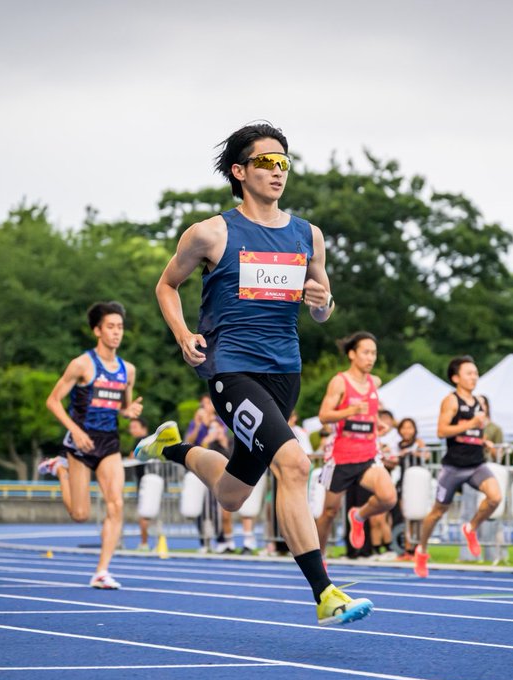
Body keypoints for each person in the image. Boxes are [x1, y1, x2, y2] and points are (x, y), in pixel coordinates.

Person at [136, 122, 371, 625]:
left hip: (285, 372)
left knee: (232, 495)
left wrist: (322, 302)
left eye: (283, 162)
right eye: (266, 162)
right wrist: (183, 334)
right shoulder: (210, 233)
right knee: (294, 464)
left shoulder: (308, 235)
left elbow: (322, 309)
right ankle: (325, 593)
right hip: (232, 369)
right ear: (240, 172)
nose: (277, 171)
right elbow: (166, 285)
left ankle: (170, 448)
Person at [38, 302, 143, 588]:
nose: (116, 332)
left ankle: (102, 571)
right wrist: (75, 431)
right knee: (80, 515)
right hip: (80, 443)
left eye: (120, 327)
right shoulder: (82, 364)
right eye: (110, 327)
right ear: (97, 331)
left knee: (116, 504)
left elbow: (123, 407)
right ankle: (60, 469)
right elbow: (52, 401)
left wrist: (129, 411)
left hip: (109, 443)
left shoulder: (128, 370)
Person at [412, 356, 504, 579]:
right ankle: (421, 550)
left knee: (495, 497)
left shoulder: (480, 402)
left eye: (476, 373)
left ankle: (471, 527)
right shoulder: (451, 401)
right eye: (469, 373)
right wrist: (470, 423)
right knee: (437, 512)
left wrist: (484, 441)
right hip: (453, 467)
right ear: (456, 378)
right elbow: (441, 431)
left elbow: (474, 433)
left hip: (476, 464)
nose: (474, 377)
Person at [314, 332, 397, 557]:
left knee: (388, 497)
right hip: (341, 457)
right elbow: (324, 415)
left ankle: (358, 516)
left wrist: (377, 423)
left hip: (368, 455)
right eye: (366, 353)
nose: (371, 358)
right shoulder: (340, 382)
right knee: (329, 512)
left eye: (374, 353)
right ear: (352, 354)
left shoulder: (374, 382)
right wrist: (351, 410)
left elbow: (370, 411)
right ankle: (318, 559)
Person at [391, 417, 429, 561]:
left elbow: (427, 455)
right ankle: (407, 549)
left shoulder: (418, 443)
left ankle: (419, 548)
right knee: (405, 516)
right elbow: (393, 460)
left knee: (418, 516)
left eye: (409, 427)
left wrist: (414, 452)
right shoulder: (397, 445)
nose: (406, 431)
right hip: (403, 482)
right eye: (404, 427)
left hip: (417, 483)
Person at [125, 417, 157, 551]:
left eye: (134, 427)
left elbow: (133, 456)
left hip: (146, 482)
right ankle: (155, 542)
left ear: (144, 428)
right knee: (152, 513)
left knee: (144, 513)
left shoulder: (141, 441)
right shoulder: (152, 440)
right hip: (153, 480)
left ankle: (144, 543)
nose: (131, 430)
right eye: (130, 427)